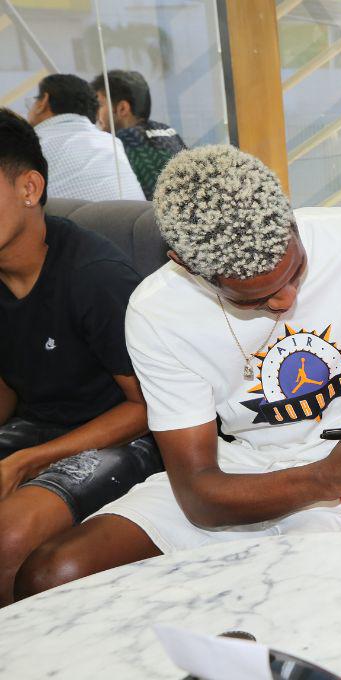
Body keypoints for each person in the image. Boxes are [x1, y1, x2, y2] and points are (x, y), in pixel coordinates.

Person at [15, 145, 341, 598]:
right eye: (254, 299)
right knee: (52, 575)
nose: (285, 300)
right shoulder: (158, 312)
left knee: (306, 596)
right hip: (240, 474)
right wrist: (323, 477)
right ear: (187, 265)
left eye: (295, 272)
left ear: (291, 218)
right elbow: (199, 495)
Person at [0, 108, 160, 606]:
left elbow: (147, 408)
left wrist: (27, 460)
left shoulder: (96, 275)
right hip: (41, 426)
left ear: (29, 188)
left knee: (7, 535)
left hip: (126, 436)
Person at [25, 74, 145, 202]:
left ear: (43, 101)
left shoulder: (31, 145)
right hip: (136, 219)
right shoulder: (112, 142)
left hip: (78, 221)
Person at [91, 70, 187, 200]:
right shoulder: (168, 131)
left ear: (122, 108)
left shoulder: (120, 142)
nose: (96, 114)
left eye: (100, 105)